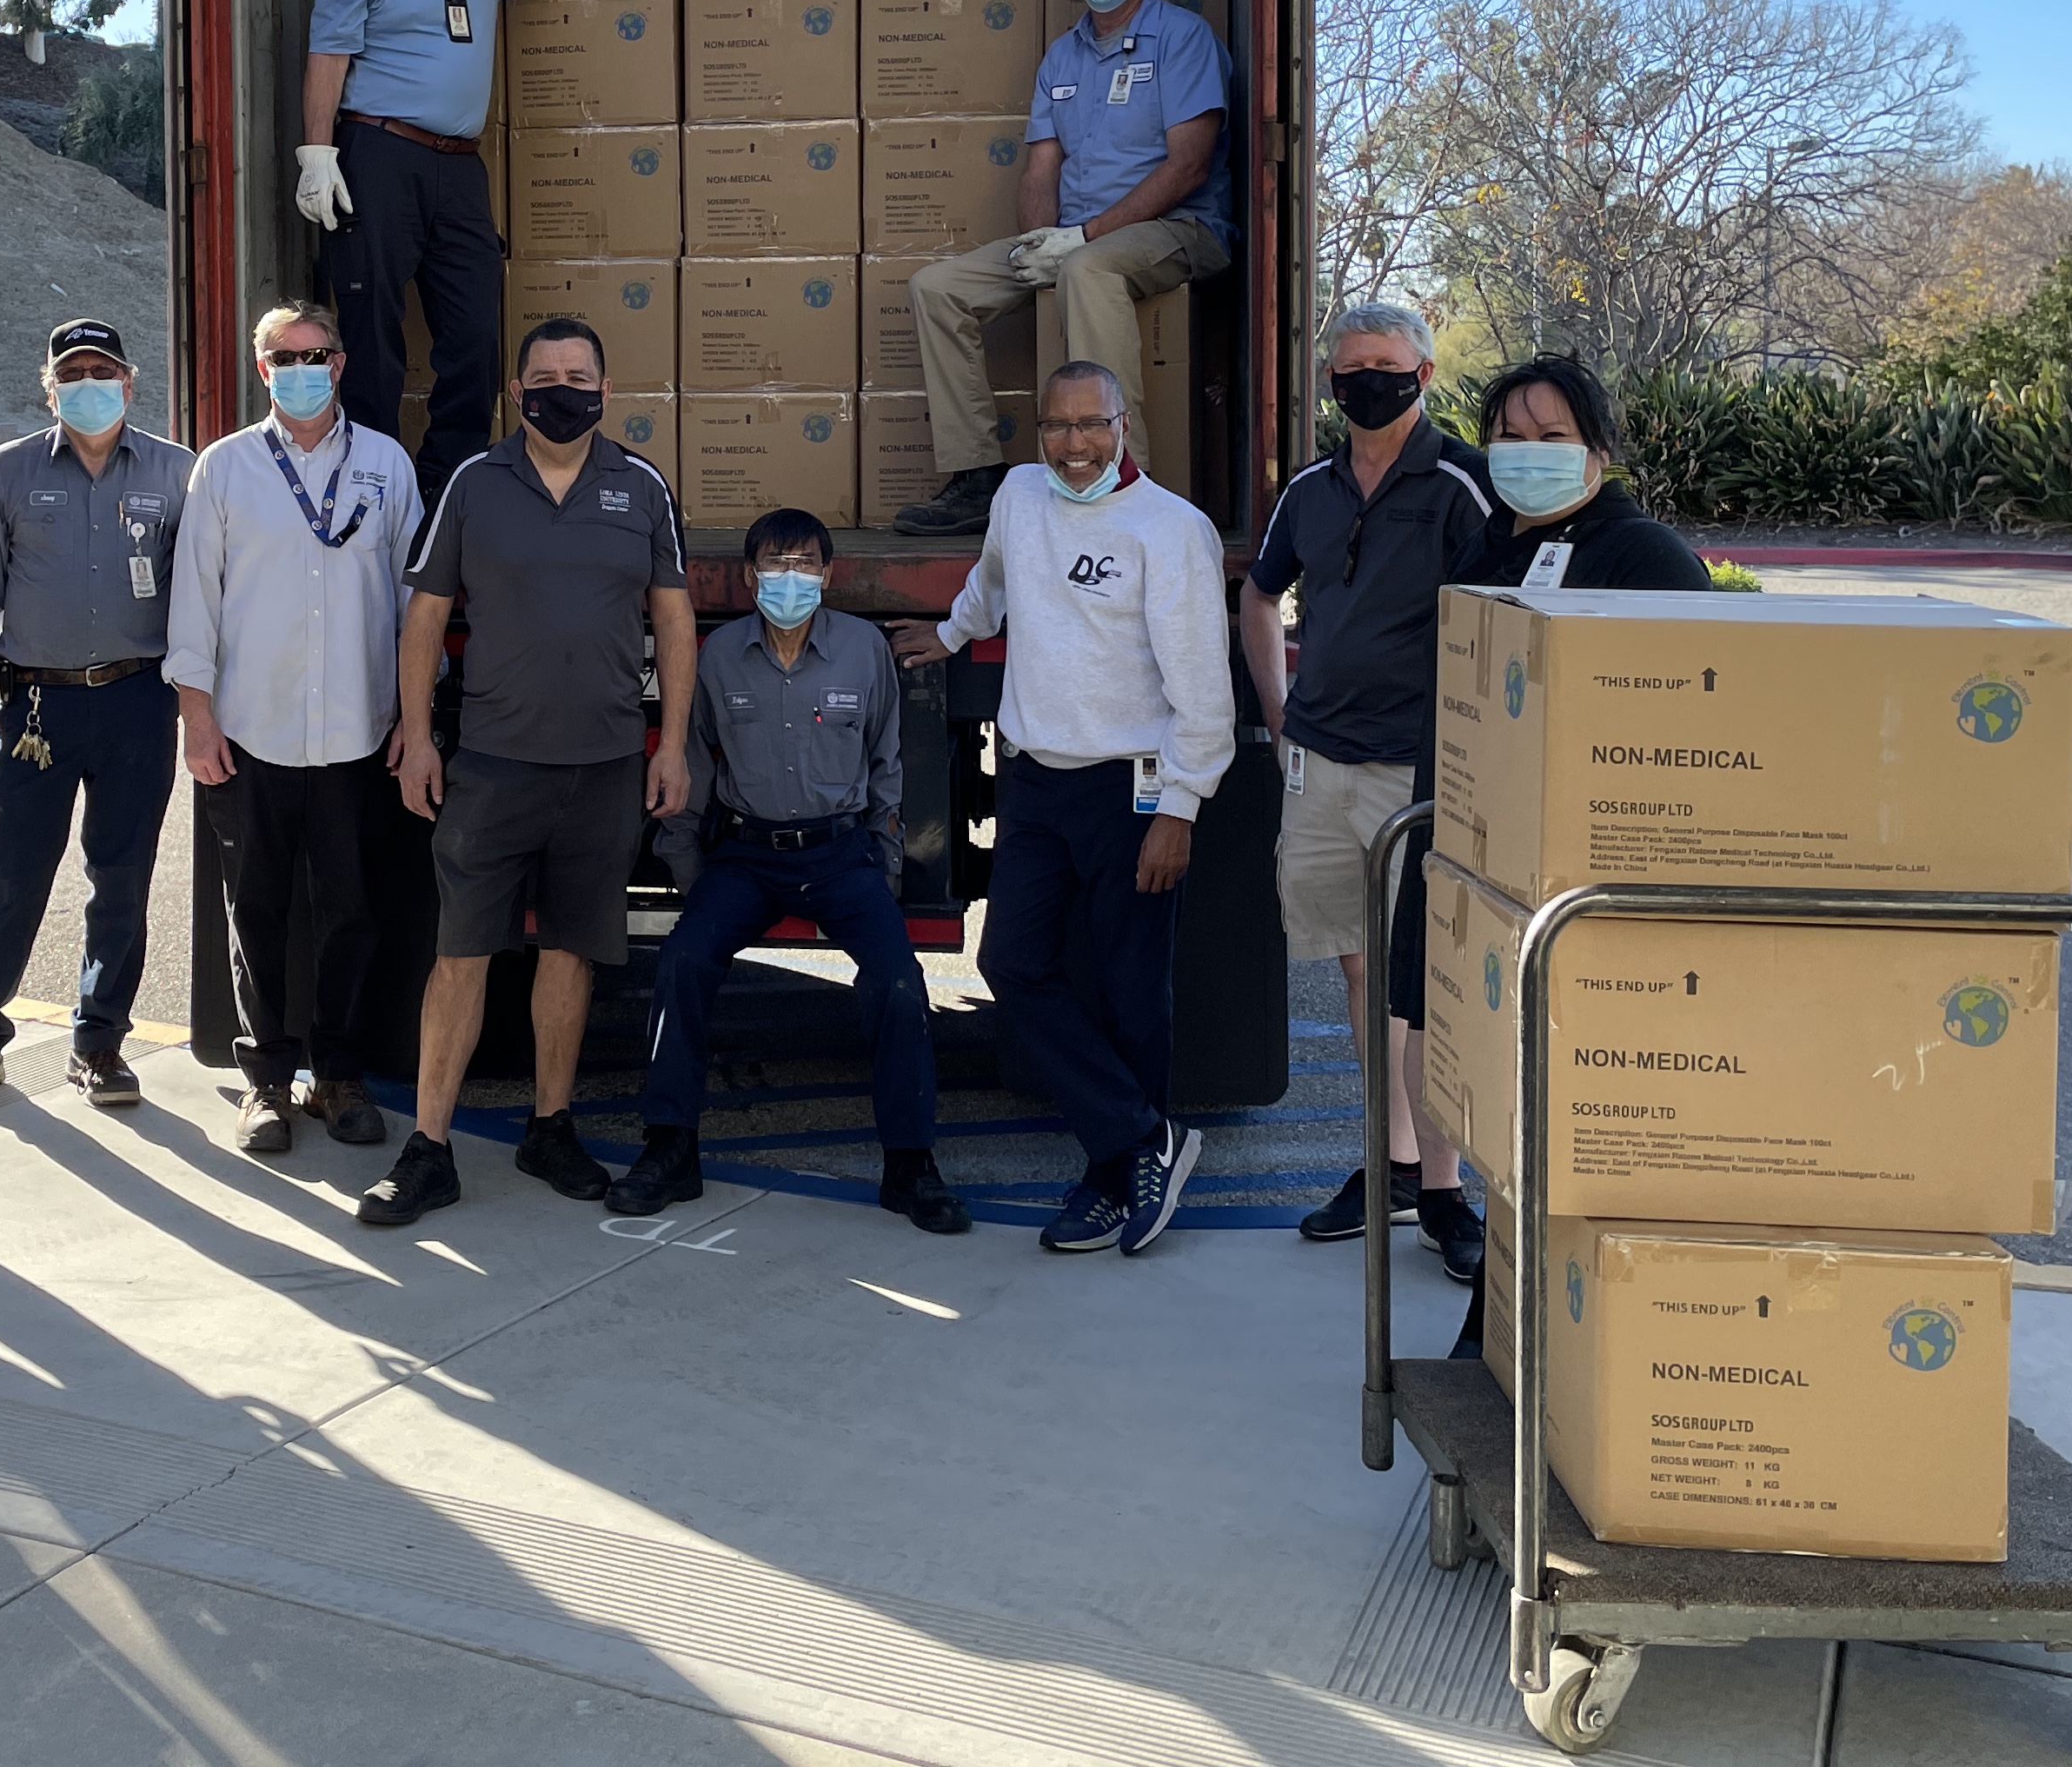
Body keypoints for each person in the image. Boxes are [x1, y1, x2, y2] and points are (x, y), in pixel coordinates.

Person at [888, 362, 1235, 1255]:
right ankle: (1141, 1137)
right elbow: (993, 580)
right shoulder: (1017, 496)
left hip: (1132, 784)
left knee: (1128, 987)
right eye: (1056, 427)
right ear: (1036, 430)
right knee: (1013, 961)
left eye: (1092, 425)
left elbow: (1203, 685)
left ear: (1125, 424)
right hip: (1036, 775)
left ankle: (1112, 1172)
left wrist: (1181, 808)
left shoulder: (1170, 530)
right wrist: (955, 629)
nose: (1074, 446)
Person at [356, 316, 695, 1228]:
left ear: (606, 390)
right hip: (496, 768)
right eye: (544, 376)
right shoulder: (475, 483)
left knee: (571, 954)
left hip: (605, 768)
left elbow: (673, 624)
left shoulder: (643, 487)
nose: (562, 389)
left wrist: (670, 745)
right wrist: (419, 736)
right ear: (517, 392)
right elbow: (425, 620)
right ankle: (428, 1148)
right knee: (460, 955)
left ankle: (552, 1125)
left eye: (579, 375)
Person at [1444, 351, 1712, 1357]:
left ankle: (1580, 1352)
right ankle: (1499, 1337)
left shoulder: (1643, 558)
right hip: (1501, 887)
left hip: (1599, 906)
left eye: (1551, 438)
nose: (1527, 454)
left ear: (1598, 451)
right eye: (1509, 436)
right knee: (1516, 1137)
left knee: (1588, 1136)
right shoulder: (1491, 542)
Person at [612, 509, 970, 1235]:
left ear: (828, 575)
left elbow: (886, 763)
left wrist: (885, 861)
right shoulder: (717, 657)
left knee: (899, 983)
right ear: (749, 577)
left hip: (840, 855)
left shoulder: (864, 650)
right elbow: (693, 767)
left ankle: (910, 1166)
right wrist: (692, 871)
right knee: (682, 961)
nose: (790, 579)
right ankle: (670, 1149)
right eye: (775, 565)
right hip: (745, 855)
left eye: (805, 565)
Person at [1237, 301, 1496, 1283]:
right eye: (1349, 369)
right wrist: (1278, 705)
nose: (1365, 383)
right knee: (1357, 972)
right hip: (1320, 764)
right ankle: (1386, 1169)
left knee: (1425, 983)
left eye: (1385, 366)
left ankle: (1443, 1188)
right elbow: (1261, 594)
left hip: (1417, 773)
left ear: (1425, 375)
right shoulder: (1310, 488)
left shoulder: (1466, 485)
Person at [299, 0, 639, 496]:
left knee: (475, 336)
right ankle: (370, 491)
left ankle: (444, 492)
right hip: (379, 153)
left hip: (458, 167)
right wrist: (317, 152)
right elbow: (327, 57)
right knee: (373, 333)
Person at [162, 301, 422, 1155]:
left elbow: (418, 603)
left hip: (358, 734)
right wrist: (196, 718)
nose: (303, 368)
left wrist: (414, 718)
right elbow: (194, 600)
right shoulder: (226, 469)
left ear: (341, 365)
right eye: (285, 356)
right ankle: (267, 1084)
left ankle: (340, 1077)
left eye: (318, 353)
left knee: (352, 913)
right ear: (262, 367)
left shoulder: (386, 465)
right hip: (251, 734)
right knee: (258, 914)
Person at [0, 318, 196, 1116]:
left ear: (129, 383)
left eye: (102, 370)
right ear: (49, 387)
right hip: (35, 705)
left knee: (121, 878)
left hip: (139, 699)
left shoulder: (178, 473)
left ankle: (100, 1041)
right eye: (72, 372)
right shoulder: (7, 472)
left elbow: (209, 597)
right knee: (9, 876)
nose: (88, 384)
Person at [893, 0, 1233, 535]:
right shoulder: (1062, 59)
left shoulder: (1182, 40)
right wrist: (1037, 242)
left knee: (1086, 269)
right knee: (937, 290)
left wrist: (1081, 239)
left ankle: (1123, 480)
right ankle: (975, 476)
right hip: (1076, 236)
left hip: (1180, 228)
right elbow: (1040, 170)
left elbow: (1189, 167)